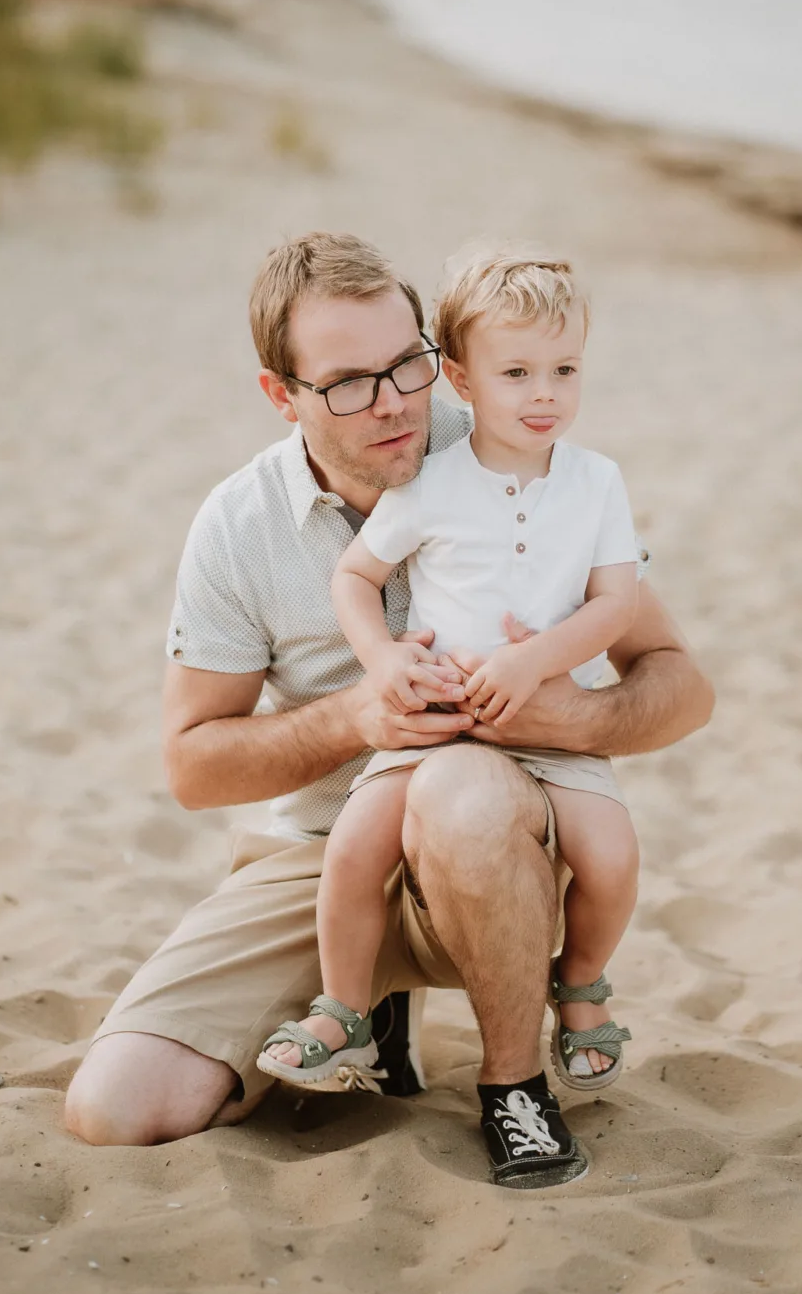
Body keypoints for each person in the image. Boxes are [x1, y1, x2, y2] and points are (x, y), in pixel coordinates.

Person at [64, 233, 713, 1187]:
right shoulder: (238, 527)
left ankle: (514, 1087)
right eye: (347, 382)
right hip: (326, 858)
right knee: (118, 1109)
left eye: (408, 363)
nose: (397, 402)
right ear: (281, 395)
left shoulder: (509, 442)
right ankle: (363, 1001)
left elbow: (680, 685)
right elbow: (192, 768)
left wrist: (567, 719)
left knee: (462, 789)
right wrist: (352, 719)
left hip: (504, 846)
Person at [258, 254, 641, 1144]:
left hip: (551, 732)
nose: (544, 394)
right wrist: (384, 661)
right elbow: (356, 577)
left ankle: (579, 987)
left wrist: (535, 663)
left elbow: (618, 604)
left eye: (565, 370)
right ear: (461, 380)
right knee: (353, 847)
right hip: (434, 733)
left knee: (614, 858)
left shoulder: (597, 484)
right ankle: (344, 1008)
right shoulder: (431, 483)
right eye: (516, 373)